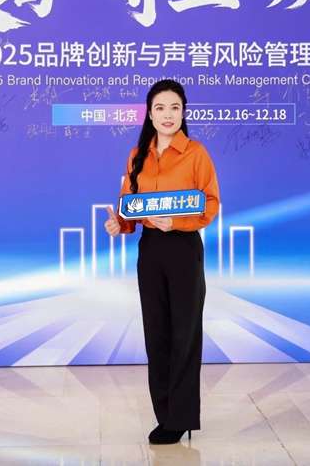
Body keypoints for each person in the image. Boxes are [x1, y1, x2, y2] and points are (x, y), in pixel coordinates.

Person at [104, 79, 220, 445]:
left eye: (175, 108)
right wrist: (119, 224)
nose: (168, 115)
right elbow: (130, 207)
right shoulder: (137, 154)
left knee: (185, 333)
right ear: (150, 114)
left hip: (184, 248)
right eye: (160, 108)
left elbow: (211, 202)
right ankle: (164, 414)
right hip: (151, 250)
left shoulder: (196, 153)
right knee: (157, 334)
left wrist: (178, 223)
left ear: (183, 113)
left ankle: (181, 419)